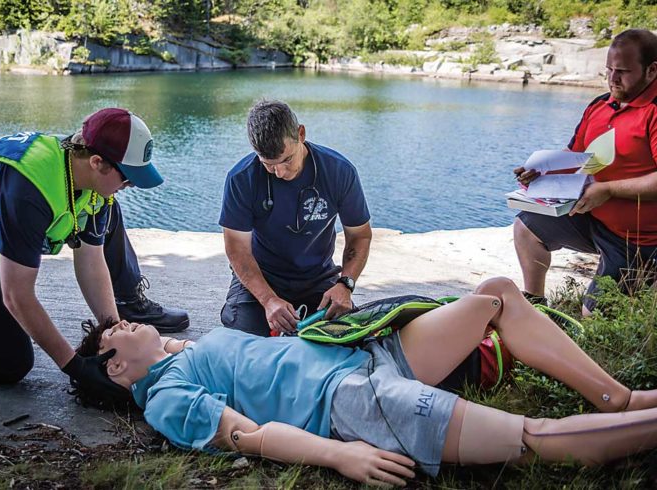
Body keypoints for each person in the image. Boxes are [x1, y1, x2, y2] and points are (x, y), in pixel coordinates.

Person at [75, 277, 657, 486]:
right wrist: (338, 456)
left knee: (496, 295)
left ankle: (618, 398)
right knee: (530, 437)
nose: (119, 323)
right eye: (112, 335)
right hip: (353, 400)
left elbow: (256, 369)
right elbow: (249, 435)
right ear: (118, 370)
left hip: (367, 356)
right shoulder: (167, 399)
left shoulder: (185, 354)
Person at [0, 108, 188, 399]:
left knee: (111, 209)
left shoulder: (88, 177)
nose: (130, 185)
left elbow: (91, 260)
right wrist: (74, 366)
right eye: (128, 178)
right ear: (98, 162)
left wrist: (113, 331)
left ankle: (129, 301)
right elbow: (17, 295)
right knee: (5, 361)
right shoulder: (30, 187)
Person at [514, 29, 657, 315]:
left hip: (640, 241)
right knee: (526, 227)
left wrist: (608, 189)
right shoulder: (600, 105)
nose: (613, 79)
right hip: (593, 221)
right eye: (609, 70)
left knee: (591, 318)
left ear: (652, 70)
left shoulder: (653, 111)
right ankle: (536, 308)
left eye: (623, 72)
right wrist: (540, 170)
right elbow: (576, 156)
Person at [219, 100, 372, 336]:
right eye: (268, 165)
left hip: (317, 278)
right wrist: (269, 300)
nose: (280, 173)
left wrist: (345, 284)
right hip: (262, 277)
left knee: (346, 338)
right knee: (244, 341)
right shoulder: (241, 178)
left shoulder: (339, 171)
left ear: (301, 133)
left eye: (287, 160)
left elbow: (359, 236)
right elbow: (237, 250)